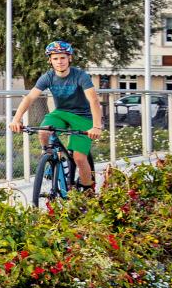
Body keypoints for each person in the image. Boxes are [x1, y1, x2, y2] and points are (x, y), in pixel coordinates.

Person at [9, 41, 103, 190]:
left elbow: (94, 100)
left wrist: (97, 126)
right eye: (55, 58)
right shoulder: (48, 77)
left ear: (69, 58)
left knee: (79, 158)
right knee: (43, 130)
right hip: (60, 113)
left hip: (82, 116)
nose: (59, 62)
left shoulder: (80, 76)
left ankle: (87, 188)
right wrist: (16, 119)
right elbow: (29, 98)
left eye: (62, 58)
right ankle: (47, 155)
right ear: (50, 60)